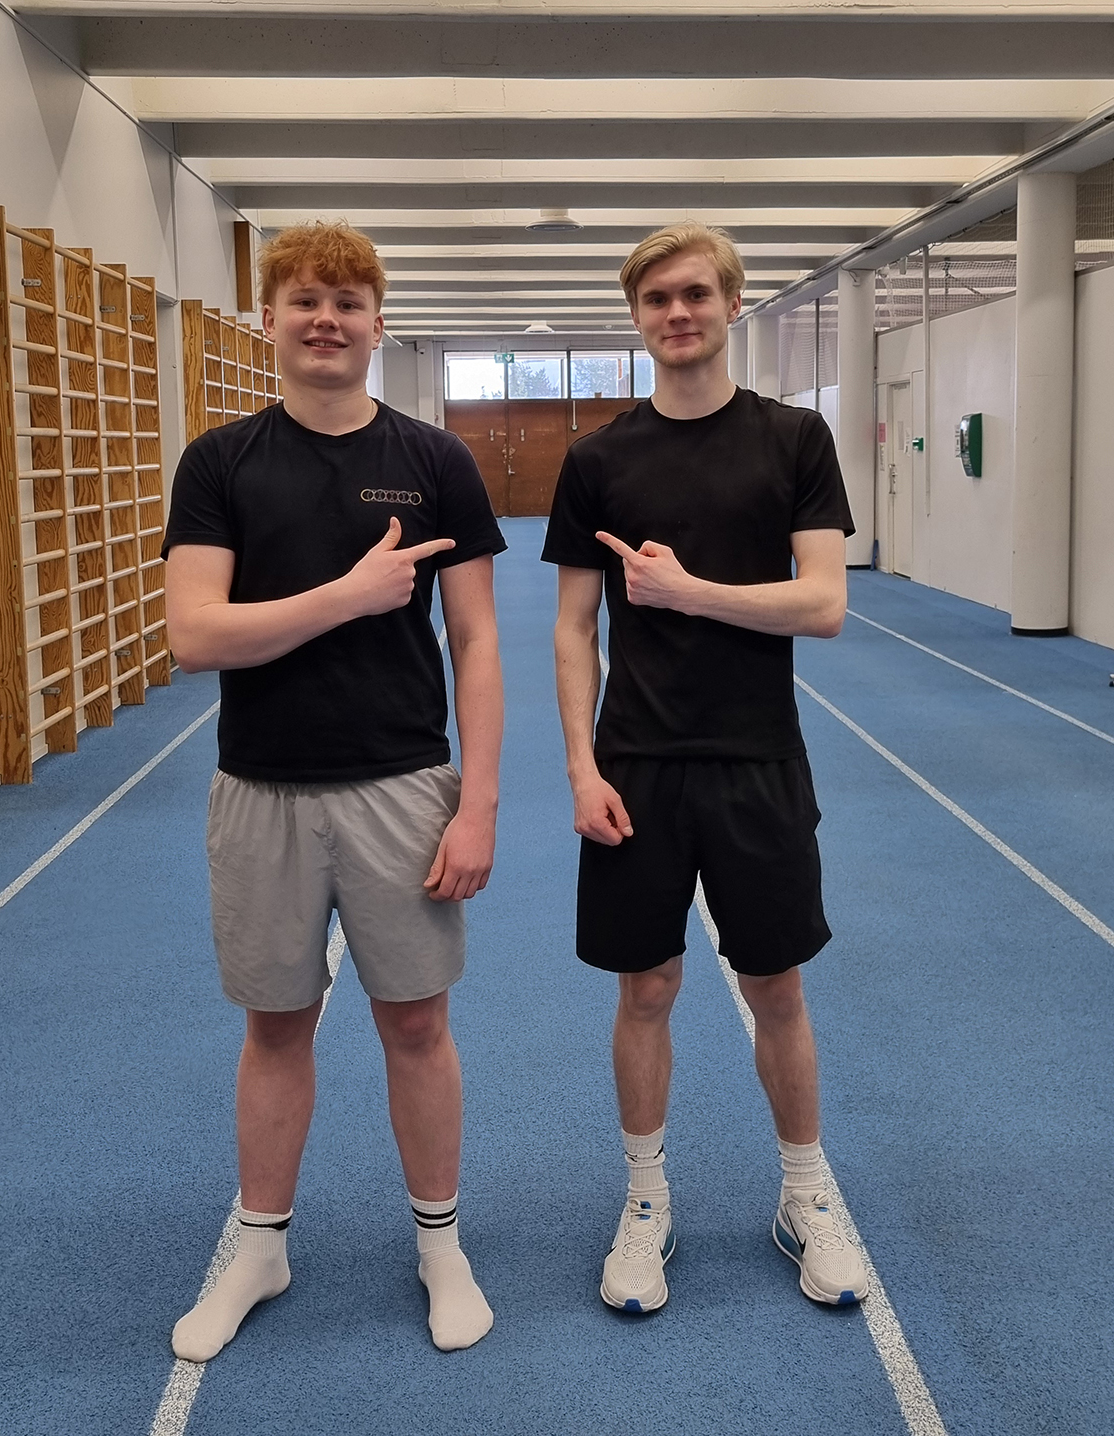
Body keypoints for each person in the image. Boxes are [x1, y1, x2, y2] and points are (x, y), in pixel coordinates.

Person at [163, 222, 505, 1359]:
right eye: (306, 300)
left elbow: (477, 642)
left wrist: (478, 802)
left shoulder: (436, 458)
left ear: (377, 323)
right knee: (276, 1024)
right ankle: (261, 1245)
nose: (327, 320)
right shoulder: (220, 463)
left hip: (401, 783)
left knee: (417, 1022)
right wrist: (346, 597)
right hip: (260, 787)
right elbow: (194, 635)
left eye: (349, 303)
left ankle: (441, 1245)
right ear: (268, 316)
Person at [542, 221, 869, 1313]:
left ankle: (805, 1193)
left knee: (777, 985)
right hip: (637, 765)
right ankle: (646, 1201)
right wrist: (581, 766)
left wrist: (692, 593)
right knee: (646, 987)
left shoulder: (794, 439)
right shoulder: (598, 460)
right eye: (656, 299)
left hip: (757, 757)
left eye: (694, 294)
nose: (676, 313)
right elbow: (573, 627)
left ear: (732, 303)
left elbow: (823, 603)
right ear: (636, 317)